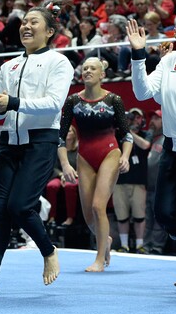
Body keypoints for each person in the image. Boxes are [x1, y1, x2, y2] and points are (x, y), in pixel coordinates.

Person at [0, 1, 73, 293]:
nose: (26, 26)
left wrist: (12, 103)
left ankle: (49, 251)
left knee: (20, 205)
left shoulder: (59, 62)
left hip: (41, 141)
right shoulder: (8, 66)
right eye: (24, 22)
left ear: (50, 31)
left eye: (34, 22)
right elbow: (4, 108)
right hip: (9, 142)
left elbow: (54, 104)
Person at [128, 15, 176, 301]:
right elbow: (143, 92)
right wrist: (138, 56)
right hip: (173, 148)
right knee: (165, 213)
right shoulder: (168, 59)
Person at [57, 57, 132, 272]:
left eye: (93, 68)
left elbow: (126, 135)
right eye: (85, 68)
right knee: (89, 215)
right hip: (85, 157)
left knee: (99, 206)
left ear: (102, 74)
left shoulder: (113, 100)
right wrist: (65, 164)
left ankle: (100, 259)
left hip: (110, 153)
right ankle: (105, 240)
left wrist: (125, 156)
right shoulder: (73, 101)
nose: (88, 71)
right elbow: (61, 138)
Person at [114, 107, 150, 253]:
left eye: (137, 117)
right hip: (119, 181)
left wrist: (130, 133)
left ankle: (140, 245)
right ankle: (124, 245)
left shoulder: (146, 134)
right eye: (131, 117)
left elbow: (145, 145)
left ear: (142, 120)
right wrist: (124, 129)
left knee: (139, 216)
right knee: (121, 216)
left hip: (138, 182)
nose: (134, 120)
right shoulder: (118, 134)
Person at [143, 109, 167, 254]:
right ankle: (146, 246)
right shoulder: (150, 139)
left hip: (161, 187)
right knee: (148, 218)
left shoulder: (166, 140)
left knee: (159, 219)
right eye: (151, 118)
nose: (152, 121)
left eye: (156, 119)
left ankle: (157, 246)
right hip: (148, 186)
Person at [46, 125, 79, 227]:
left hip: (76, 176)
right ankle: (51, 217)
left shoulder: (79, 148)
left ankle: (70, 217)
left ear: (74, 134)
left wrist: (72, 174)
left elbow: (82, 165)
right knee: (51, 186)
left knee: (70, 186)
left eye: (69, 131)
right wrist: (62, 175)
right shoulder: (58, 148)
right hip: (60, 175)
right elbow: (54, 166)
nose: (67, 133)